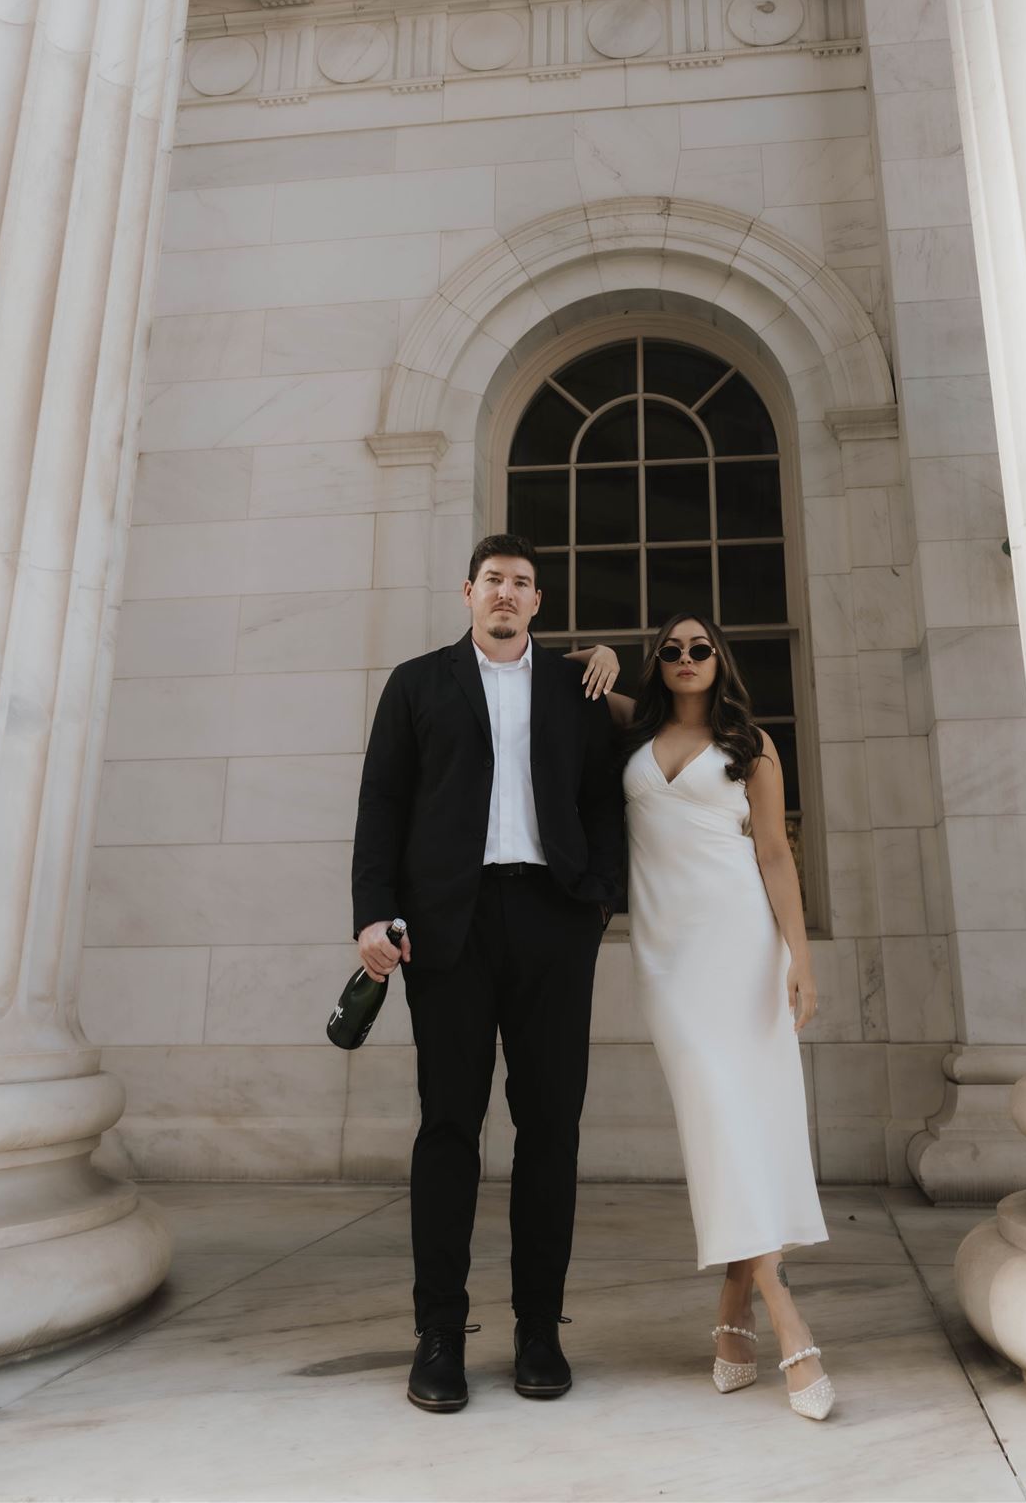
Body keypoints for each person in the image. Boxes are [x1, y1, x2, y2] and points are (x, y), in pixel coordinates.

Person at [351, 536, 623, 1414]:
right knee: (448, 1129)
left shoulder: (574, 688)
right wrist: (372, 912)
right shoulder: (417, 683)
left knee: (551, 1130)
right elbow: (382, 803)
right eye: (493, 582)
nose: (507, 595)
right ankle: (438, 1334)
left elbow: (604, 796)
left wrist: (597, 901)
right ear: (468, 592)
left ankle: (538, 1330)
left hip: (551, 922)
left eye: (523, 585)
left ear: (539, 602)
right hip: (448, 931)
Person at [580, 612, 835, 1423]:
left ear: (720, 660)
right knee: (715, 1120)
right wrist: (599, 650)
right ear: (658, 664)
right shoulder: (629, 727)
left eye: (701, 648)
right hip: (666, 958)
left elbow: (773, 853)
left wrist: (800, 957)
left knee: (742, 1124)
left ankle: (757, 1315)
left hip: (740, 948)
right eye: (671, 650)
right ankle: (757, 1304)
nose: (686, 658)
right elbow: (562, 679)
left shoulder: (751, 746)